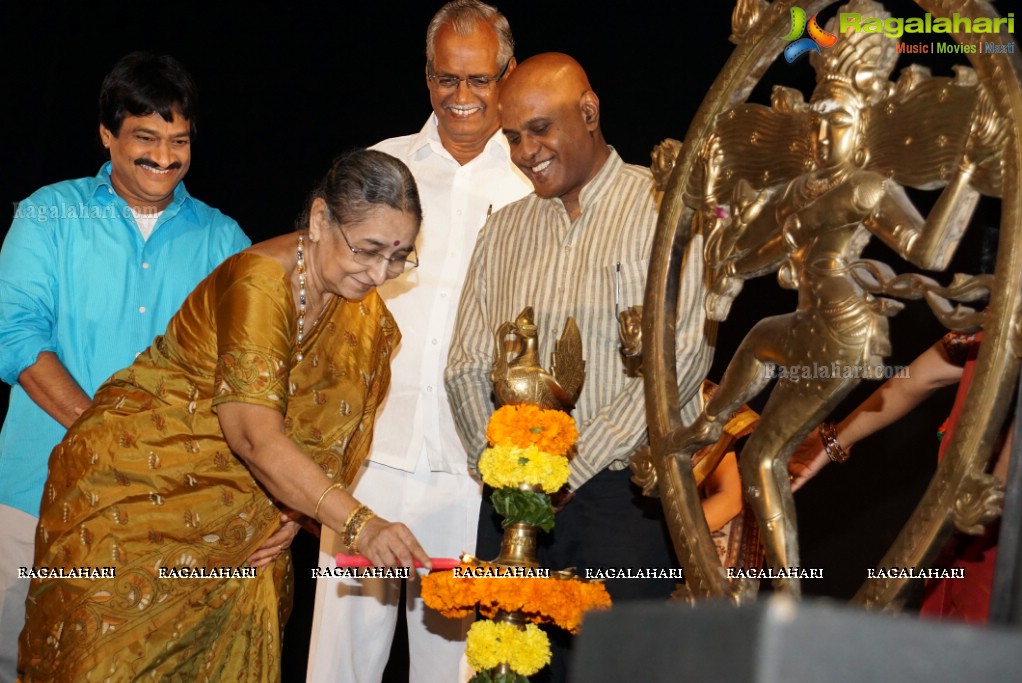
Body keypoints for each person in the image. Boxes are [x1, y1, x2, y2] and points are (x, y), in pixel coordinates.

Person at [16, 149, 432, 681]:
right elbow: (254, 437)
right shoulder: (262, 281)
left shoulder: (363, 316)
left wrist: (294, 513)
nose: (380, 273)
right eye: (370, 250)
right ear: (322, 219)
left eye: (399, 257)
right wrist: (358, 523)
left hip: (242, 540)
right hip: (134, 505)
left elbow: (335, 436)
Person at [445, 53, 708, 682]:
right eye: (511, 136)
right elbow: (463, 367)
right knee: (508, 672)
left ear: (588, 113)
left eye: (540, 128)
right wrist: (514, 476)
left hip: (625, 498)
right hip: (514, 507)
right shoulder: (502, 230)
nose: (525, 150)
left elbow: (685, 356)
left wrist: (568, 468)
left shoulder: (663, 206)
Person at [0, 52, 251, 683]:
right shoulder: (49, 214)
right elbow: (15, 332)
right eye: (146, 137)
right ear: (108, 134)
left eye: (179, 140)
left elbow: (250, 372)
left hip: (166, 513)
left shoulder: (223, 240)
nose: (164, 156)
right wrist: (105, 435)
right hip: (35, 496)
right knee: (20, 660)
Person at [306, 3, 530, 682]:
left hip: (470, 474)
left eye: (480, 80)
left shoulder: (533, 183)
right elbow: (315, 295)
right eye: (446, 79)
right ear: (427, 77)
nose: (461, 98)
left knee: (453, 672)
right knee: (337, 667)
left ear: (508, 75)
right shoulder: (381, 166)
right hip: (365, 465)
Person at [789, 330, 1011, 622]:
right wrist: (830, 442)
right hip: (963, 530)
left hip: (998, 538)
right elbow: (919, 377)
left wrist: (977, 509)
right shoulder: (996, 322)